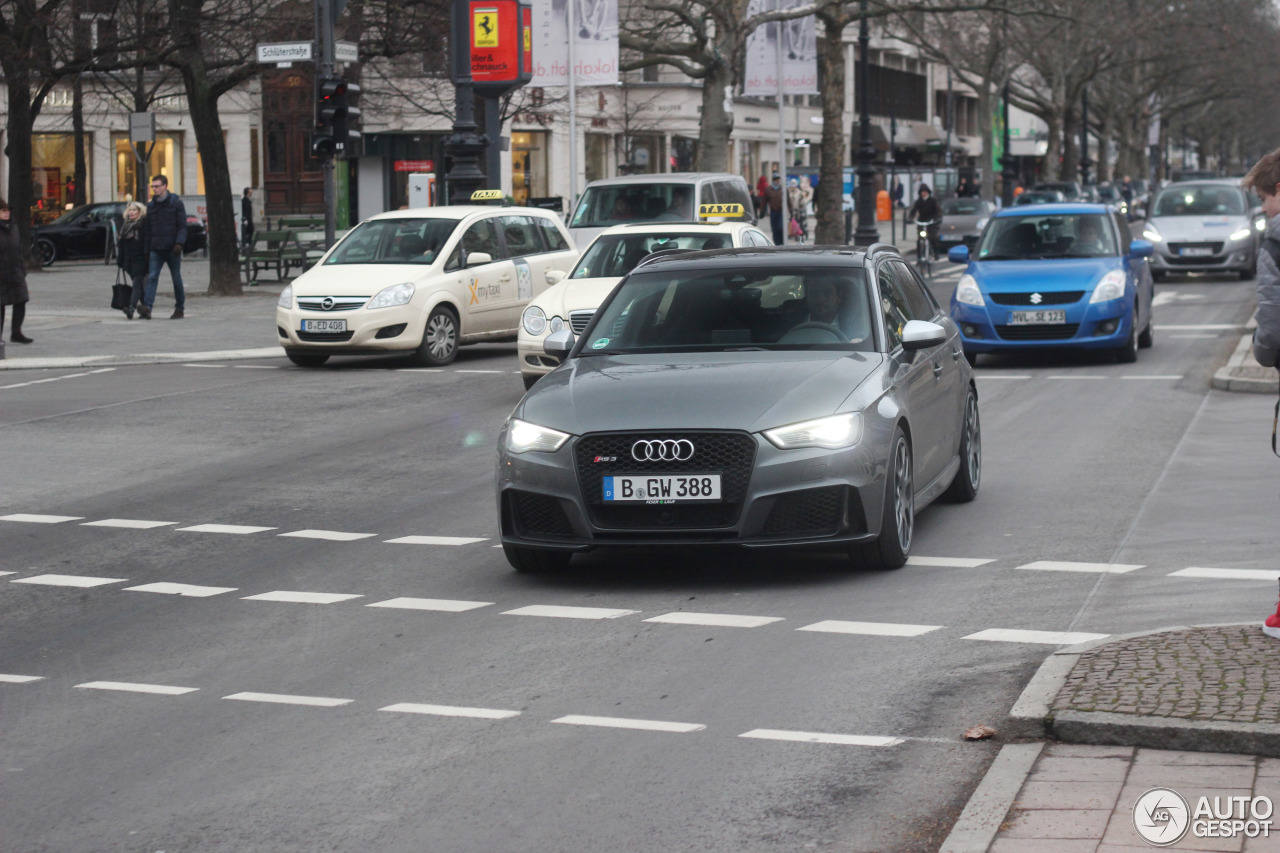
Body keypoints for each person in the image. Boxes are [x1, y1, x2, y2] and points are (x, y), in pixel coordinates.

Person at [1241, 149, 1280, 639]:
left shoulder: (1276, 241)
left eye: (1267, 198)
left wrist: (1261, 351)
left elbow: (1272, 325)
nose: (1266, 209)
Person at [141, 174, 188, 320]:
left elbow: (182, 226)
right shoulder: (151, 206)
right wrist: (147, 250)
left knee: (176, 279)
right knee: (152, 277)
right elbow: (147, 230)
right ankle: (147, 308)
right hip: (156, 248)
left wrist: (179, 243)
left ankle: (179, 308)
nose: (154, 189)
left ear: (165, 186)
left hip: (173, 248)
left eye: (157, 186)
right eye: (152, 186)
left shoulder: (176, 203)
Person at [0, 198, 32, 344]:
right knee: (0, 305)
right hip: (1, 272)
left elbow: (17, 248)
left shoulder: (13, 227)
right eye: (3, 210)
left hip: (15, 270)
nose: (6, 213)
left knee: (21, 300)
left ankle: (16, 332)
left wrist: (22, 267)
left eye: (7, 210)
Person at [116, 201, 149, 320]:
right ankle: (146, 309)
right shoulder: (125, 225)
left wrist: (146, 258)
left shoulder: (143, 225)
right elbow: (121, 245)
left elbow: (146, 243)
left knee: (136, 284)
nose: (131, 212)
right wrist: (120, 261)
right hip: (128, 261)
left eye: (134, 210)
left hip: (140, 259)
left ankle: (131, 308)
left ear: (140, 212)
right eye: (130, 210)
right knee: (139, 286)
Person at [907, 184, 942, 253]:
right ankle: (919, 256)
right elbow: (913, 211)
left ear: (928, 192)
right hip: (922, 221)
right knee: (920, 239)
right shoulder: (918, 201)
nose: (924, 193)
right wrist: (910, 218)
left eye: (925, 192)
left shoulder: (932, 201)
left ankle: (936, 253)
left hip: (931, 222)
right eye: (922, 192)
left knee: (932, 238)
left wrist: (937, 219)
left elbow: (938, 211)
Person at [765, 174, 785, 245]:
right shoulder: (768, 189)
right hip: (773, 212)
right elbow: (764, 201)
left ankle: (782, 242)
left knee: (781, 227)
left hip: (781, 212)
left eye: (779, 179)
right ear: (773, 180)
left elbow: (788, 200)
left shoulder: (783, 189)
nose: (778, 181)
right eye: (776, 179)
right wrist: (762, 211)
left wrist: (790, 210)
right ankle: (777, 243)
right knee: (775, 229)